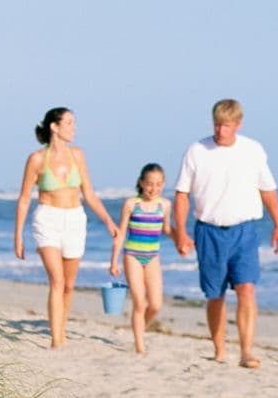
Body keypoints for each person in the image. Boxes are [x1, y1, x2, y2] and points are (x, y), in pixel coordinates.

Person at [173, 99, 278, 369]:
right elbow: (182, 195)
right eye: (216, 124)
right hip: (209, 231)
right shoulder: (197, 151)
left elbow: (267, 189)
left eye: (225, 125)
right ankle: (219, 348)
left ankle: (246, 351)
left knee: (247, 289)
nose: (220, 131)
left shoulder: (252, 150)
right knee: (216, 294)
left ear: (237, 124)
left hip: (244, 230)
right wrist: (180, 232)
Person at [14, 107, 118, 349]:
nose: (74, 128)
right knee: (57, 281)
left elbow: (89, 193)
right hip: (47, 220)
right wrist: (18, 236)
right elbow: (24, 199)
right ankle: (56, 339)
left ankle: (61, 328)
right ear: (54, 126)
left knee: (69, 285)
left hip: (74, 219)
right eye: (70, 123)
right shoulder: (37, 159)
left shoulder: (78, 155)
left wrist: (108, 221)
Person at [110, 163, 172, 354]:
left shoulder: (165, 205)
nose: (153, 189)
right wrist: (114, 261)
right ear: (141, 183)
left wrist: (183, 240)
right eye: (149, 184)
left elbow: (168, 230)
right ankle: (139, 345)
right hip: (132, 256)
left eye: (158, 184)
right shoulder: (131, 204)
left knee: (155, 304)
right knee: (140, 302)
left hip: (153, 257)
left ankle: (139, 328)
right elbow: (121, 234)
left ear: (163, 184)